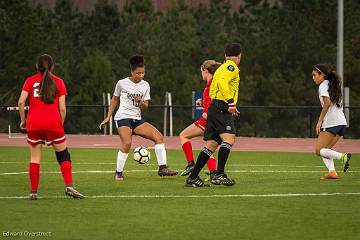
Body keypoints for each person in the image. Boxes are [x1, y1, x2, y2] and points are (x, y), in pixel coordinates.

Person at [99, 55, 178, 180]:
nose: (141, 76)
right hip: (122, 117)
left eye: (143, 73)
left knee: (159, 137)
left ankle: (163, 168)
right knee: (127, 143)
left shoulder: (145, 85)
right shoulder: (122, 83)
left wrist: (141, 102)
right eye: (138, 73)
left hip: (136, 119)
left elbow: (146, 105)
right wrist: (108, 117)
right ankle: (118, 173)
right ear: (132, 72)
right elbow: (115, 99)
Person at [18, 54, 83, 200]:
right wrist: (60, 123)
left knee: (35, 158)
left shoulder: (30, 81)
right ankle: (69, 186)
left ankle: (33, 192)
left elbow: (21, 102)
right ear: (53, 66)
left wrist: (23, 120)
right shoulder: (59, 82)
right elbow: (63, 109)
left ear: (37, 67)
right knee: (63, 155)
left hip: (33, 123)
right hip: (53, 123)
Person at [185, 43, 242, 187]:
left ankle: (193, 178)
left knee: (211, 145)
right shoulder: (232, 68)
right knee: (229, 139)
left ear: (225, 56)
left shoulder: (221, 68)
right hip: (221, 108)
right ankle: (219, 174)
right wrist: (230, 103)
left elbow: (213, 90)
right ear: (239, 56)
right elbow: (223, 83)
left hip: (215, 107)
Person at [179, 60, 221, 179]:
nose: (201, 74)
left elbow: (213, 102)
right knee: (208, 146)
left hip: (208, 120)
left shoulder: (211, 85)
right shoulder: (214, 83)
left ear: (205, 70)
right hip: (214, 120)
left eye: (201, 71)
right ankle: (213, 173)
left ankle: (191, 164)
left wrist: (207, 113)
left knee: (183, 135)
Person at [312, 64, 351, 179]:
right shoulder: (333, 84)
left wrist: (320, 121)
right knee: (326, 150)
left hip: (332, 122)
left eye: (315, 75)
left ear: (322, 75)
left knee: (319, 150)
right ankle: (332, 172)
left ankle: (343, 157)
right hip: (342, 122)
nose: (313, 78)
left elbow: (327, 103)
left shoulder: (323, 85)